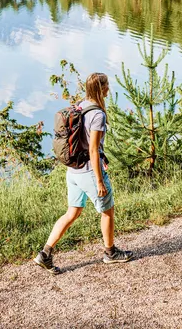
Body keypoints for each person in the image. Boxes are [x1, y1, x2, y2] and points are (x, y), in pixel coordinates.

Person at [34, 73, 133, 273]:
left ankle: (45, 254)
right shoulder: (98, 115)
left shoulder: (80, 105)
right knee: (108, 211)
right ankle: (110, 253)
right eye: (106, 86)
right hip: (88, 171)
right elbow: (94, 150)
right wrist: (99, 181)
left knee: (72, 212)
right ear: (101, 89)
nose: (108, 89)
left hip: (73, 171)